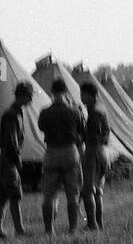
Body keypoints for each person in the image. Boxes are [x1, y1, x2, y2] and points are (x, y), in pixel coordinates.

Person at [37, 77, 85, 235]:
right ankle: (72, 228)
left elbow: (42, 127)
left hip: (51, 151)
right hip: (70, 151)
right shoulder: (75, 111)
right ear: (65, 92)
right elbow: (81, 131)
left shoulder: (44, 113)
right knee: (73, 194)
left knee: (49, 195)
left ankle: (49, 229)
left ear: (52, 93)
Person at [0, 81, 34, 239]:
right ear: (22, 95)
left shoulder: (16, 112)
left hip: (4, 158)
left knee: (3, 196)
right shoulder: (12, 115)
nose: (30, 100)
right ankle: (19, 230)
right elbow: (11, 141)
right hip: (8, 159)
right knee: (15, 194)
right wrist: (17, 159)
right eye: (29, 96)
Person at [80, 79, 110, 232]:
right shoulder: (100, 109)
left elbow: (93, 135)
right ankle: (98, 224)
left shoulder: (95, 112)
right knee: (98, 191)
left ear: (90, 95)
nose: (81, 97)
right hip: (103, 151)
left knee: (88, 190)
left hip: (94, 151)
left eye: (82, 94)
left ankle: (92, 224)